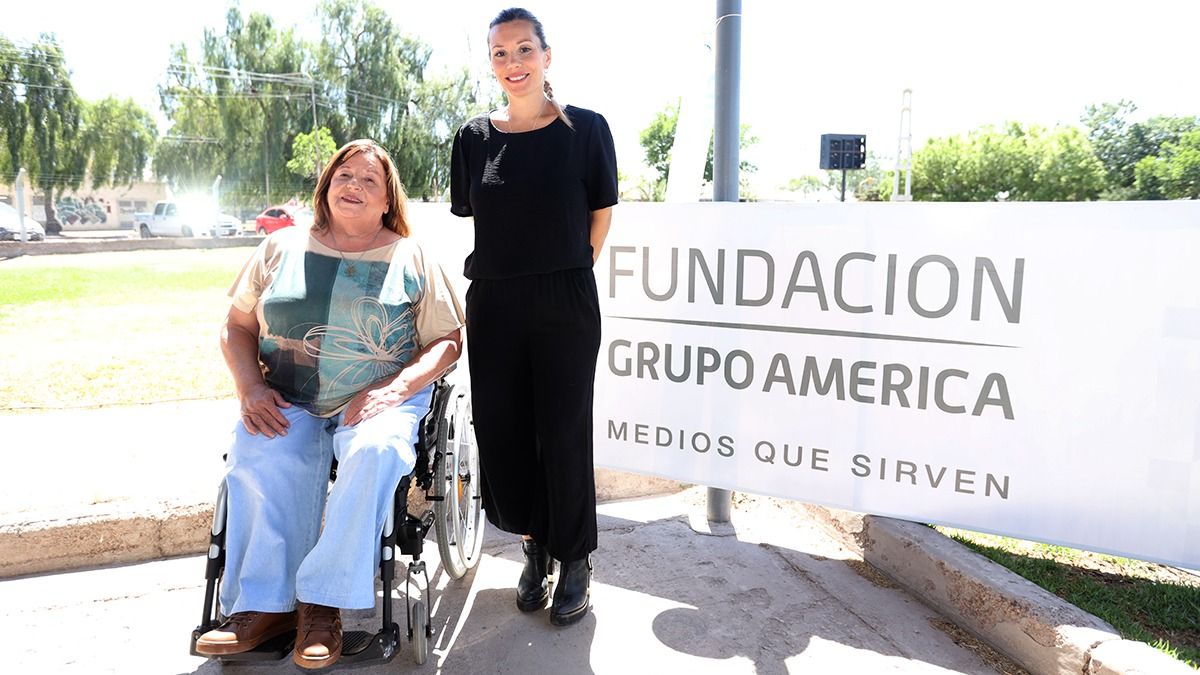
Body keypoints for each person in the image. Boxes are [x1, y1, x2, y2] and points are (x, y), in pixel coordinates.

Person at [194, 139, 465, 669]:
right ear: (326, 186)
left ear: (388, 200)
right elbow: (237, 325)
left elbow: (448, 340)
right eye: (344, 175)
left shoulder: (410, 256)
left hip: (377, 396)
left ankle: (322, 603)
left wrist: (395, 389)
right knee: (260, 450)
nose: (354, 186)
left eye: (370, 180)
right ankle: (265, 607)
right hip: (288, 393)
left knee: (376, 452)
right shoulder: (280, 248)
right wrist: (250, 387)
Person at [449, 7, 618, 626]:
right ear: (490, 64)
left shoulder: (587, 130)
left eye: (523, 50)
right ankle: (535, 546)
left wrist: (574, 269)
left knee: (563, 431)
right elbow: (480, 219)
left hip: (564, 300)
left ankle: (575, 558)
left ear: (546, 55)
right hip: (494, 302)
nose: (512, 63)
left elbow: (600, 212)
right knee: (505, 432)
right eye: (499, 53)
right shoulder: (472, 139)